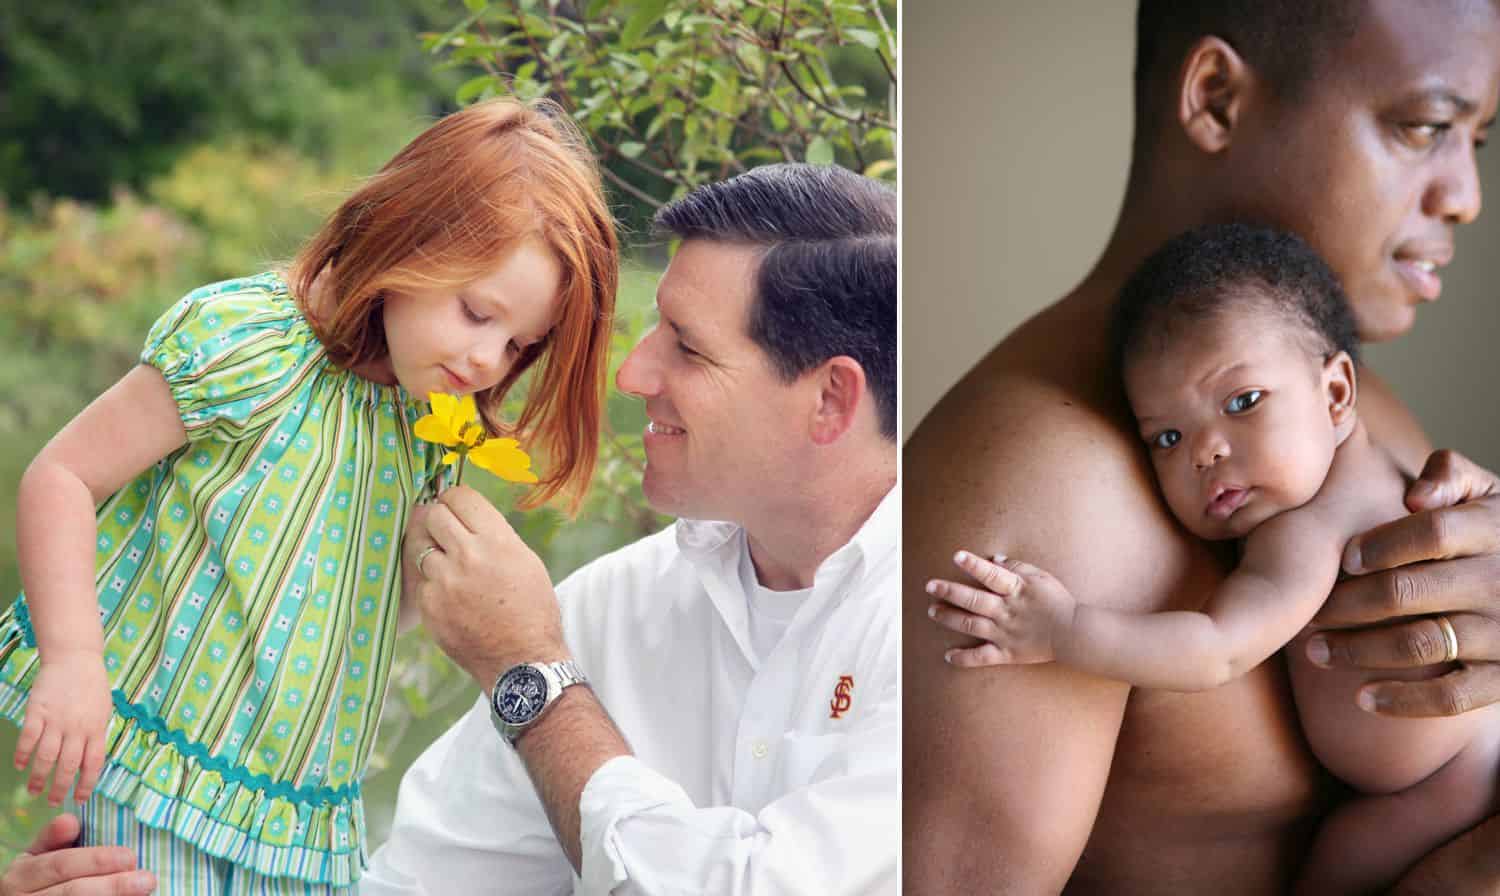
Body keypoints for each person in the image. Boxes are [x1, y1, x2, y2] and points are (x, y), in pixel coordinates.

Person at [903, 1, 1500, 893]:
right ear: (1217, 97)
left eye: (1477, 144)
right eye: (1424, 128)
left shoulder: (1359, 414)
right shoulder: (1037, 479)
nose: (1466, 196)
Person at [0, 97, 617, 893]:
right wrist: (73, 660)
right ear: (407, 234)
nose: (487, 360)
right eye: (476, 313)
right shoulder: (250, 342)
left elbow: (357, 605)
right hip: (157, 766)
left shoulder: (429, 423)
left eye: (518, 345)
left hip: (301, 815)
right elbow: (62, 476)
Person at [358, 162, 898, 894]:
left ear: (832, 398)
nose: (633, 375)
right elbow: (417, 884)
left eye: (688, 346)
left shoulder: (948, 635)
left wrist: (531, 677)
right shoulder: (609, 606)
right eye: (653, 332)